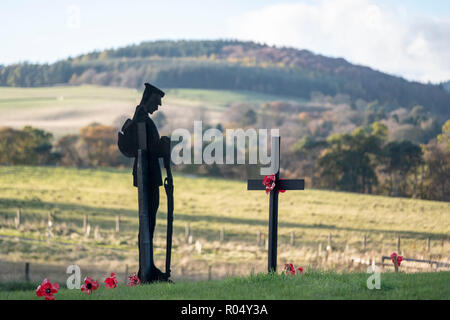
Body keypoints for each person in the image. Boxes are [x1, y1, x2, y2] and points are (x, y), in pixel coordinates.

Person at [118, 83, 168, 282]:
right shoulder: (142, 120)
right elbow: (148, 148)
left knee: (149, 222)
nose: (158, 107)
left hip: (150, 175)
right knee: (147, 222)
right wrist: (164, 145)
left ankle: (147, 266)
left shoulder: (144, 119)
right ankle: (145, 269)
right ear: (147, 101)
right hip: (147, 175)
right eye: (156, 103)